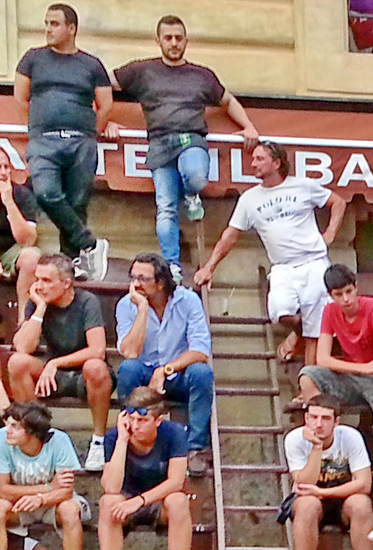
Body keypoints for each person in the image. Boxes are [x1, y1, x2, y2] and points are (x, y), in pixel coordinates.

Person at [113, 15, 261, 273]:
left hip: (191, 139)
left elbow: (228, 101)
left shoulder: (202, 75)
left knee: (195, 177)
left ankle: (191, 194)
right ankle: (172, 266)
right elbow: (101, 87)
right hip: (159, 145)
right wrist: (104, 121)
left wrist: (248, 126)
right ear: (157, 40)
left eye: (178, 38)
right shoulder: (141, 70)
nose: (173, 43)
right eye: (168, 38)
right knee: (166, 208)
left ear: (186, 41)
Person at [194, 141, 346, 364]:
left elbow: (338, 202)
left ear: (276, 163)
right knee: (280, 312)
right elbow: (231, 234)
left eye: (259, 159)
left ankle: (308, 390)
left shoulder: (303, 185)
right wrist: (209, 267)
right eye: (253, 159)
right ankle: (298, 333)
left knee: (317, 330)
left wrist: (330, 233)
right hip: (282, 267)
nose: (253, 164)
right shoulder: (249, 199)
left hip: (313, 261)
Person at [15, 3, 113, 282]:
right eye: (46, 23)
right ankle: (91, 244)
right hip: (43, 141)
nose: (48, 29)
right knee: (46, 193)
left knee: (77, 202)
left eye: (55, 24)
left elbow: (105, 105)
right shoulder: (32, 58)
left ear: (71, 28)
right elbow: (21, 99)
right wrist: (37, 127)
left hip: (81, 141)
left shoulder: (91, 64)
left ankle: (71, 267)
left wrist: (92, 133)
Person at [302, 263, 373, 504]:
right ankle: (321, 453)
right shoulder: (329, 312)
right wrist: (363, 367)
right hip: (354, 375)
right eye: (339, 294)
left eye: (349, 291)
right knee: (308, 376)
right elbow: (322, 359)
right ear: (331, 296)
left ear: (356, 288)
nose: (346, 299)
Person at [8, 254, 112, 471]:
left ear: (66, 283)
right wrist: (39, 310)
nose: (39, 286)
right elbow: (22, 347)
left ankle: (98, 442)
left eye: (46, 281)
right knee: (17, 363)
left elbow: (97, 350)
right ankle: (39, 437)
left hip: (86, 374)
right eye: (37, 279)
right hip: (55, 377)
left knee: (95, 367)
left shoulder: (87, 301)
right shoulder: (37, 303)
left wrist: (55, 363)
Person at [96, 389, 195, 550]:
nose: (135, 425)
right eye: (131, 419)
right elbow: (111, 487)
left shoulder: (174, 433)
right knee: (107, 502)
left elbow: (176, 481)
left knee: (178, 500)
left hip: (158, 501)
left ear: (158, 421)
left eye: (142, 420)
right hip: (124, 501)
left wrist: (139, 501)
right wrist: (122, 441)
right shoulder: (115, 436)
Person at [282, 393, 373, 550]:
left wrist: (323, 492)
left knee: (362, 504)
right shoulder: (294, 439)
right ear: (306, 419)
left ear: (336, 422)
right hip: (309, 498)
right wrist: (317, 448)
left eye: (325, 419)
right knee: (307, 504)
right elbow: (303, 484)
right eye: (314, 417)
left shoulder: (350, 436)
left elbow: (364, 484)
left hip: (343, 497)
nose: (319, 424)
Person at [115, 253, 215, 453]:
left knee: (202, 373)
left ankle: (196, 447)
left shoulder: (188, 300)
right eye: (133, 277)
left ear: (160, 283)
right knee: (128, 369)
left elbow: (200, 350)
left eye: (143, 279)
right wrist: (142, 309)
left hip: (178, 374)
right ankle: (129, 436)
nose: (136, 284)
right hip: (144, 376)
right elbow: (130, 352)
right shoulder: (126, 305)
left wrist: (166, 370)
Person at [0, 401, 87, 550]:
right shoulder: (2, 441)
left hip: (52, 503)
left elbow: (65, 491)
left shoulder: (59, 441)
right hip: (19, 503)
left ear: (31, 431)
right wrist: (47, 487)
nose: (7, 430)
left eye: (14, 426)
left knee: (70, 509)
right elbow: (2, 489)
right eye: (7, 424)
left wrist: (41, 498)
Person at [0, 147, 44, 315]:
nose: (4, 172)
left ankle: (24, 322)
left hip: (10, 251)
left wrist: (9, 202)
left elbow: (27, 241)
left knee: (32, 256)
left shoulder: (21, 195)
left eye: (6, 167)